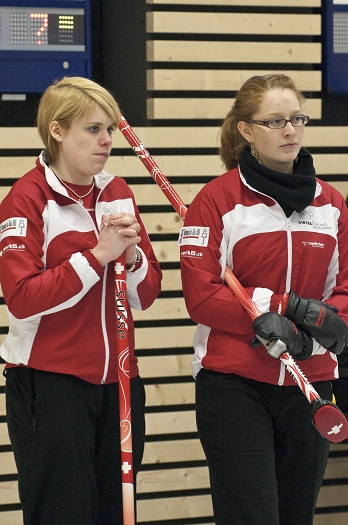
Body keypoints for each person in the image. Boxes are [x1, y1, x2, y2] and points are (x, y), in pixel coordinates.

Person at [179, 74, 348, 525]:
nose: (289, 130)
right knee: (251, 516)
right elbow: (202, 296)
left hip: (310, 386)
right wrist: (284, 306)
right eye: (275, 121)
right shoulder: (215, 202)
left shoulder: (331, 204)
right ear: (246, 131)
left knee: (297, 516)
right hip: (234, 386)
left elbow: (344, 293)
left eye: (296, 119)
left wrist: (308, 340)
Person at [0, 76, 162, 525]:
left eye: (110, 129)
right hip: (51, 387)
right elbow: (21, 298)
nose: (107, 141)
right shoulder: (26, 199)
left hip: (121, 383)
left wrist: (130, 260)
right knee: (62, 513)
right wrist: (96, 257)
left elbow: (148, 294)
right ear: (57, 130)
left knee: (116, 511)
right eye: (93, 129)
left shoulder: (118, 191)